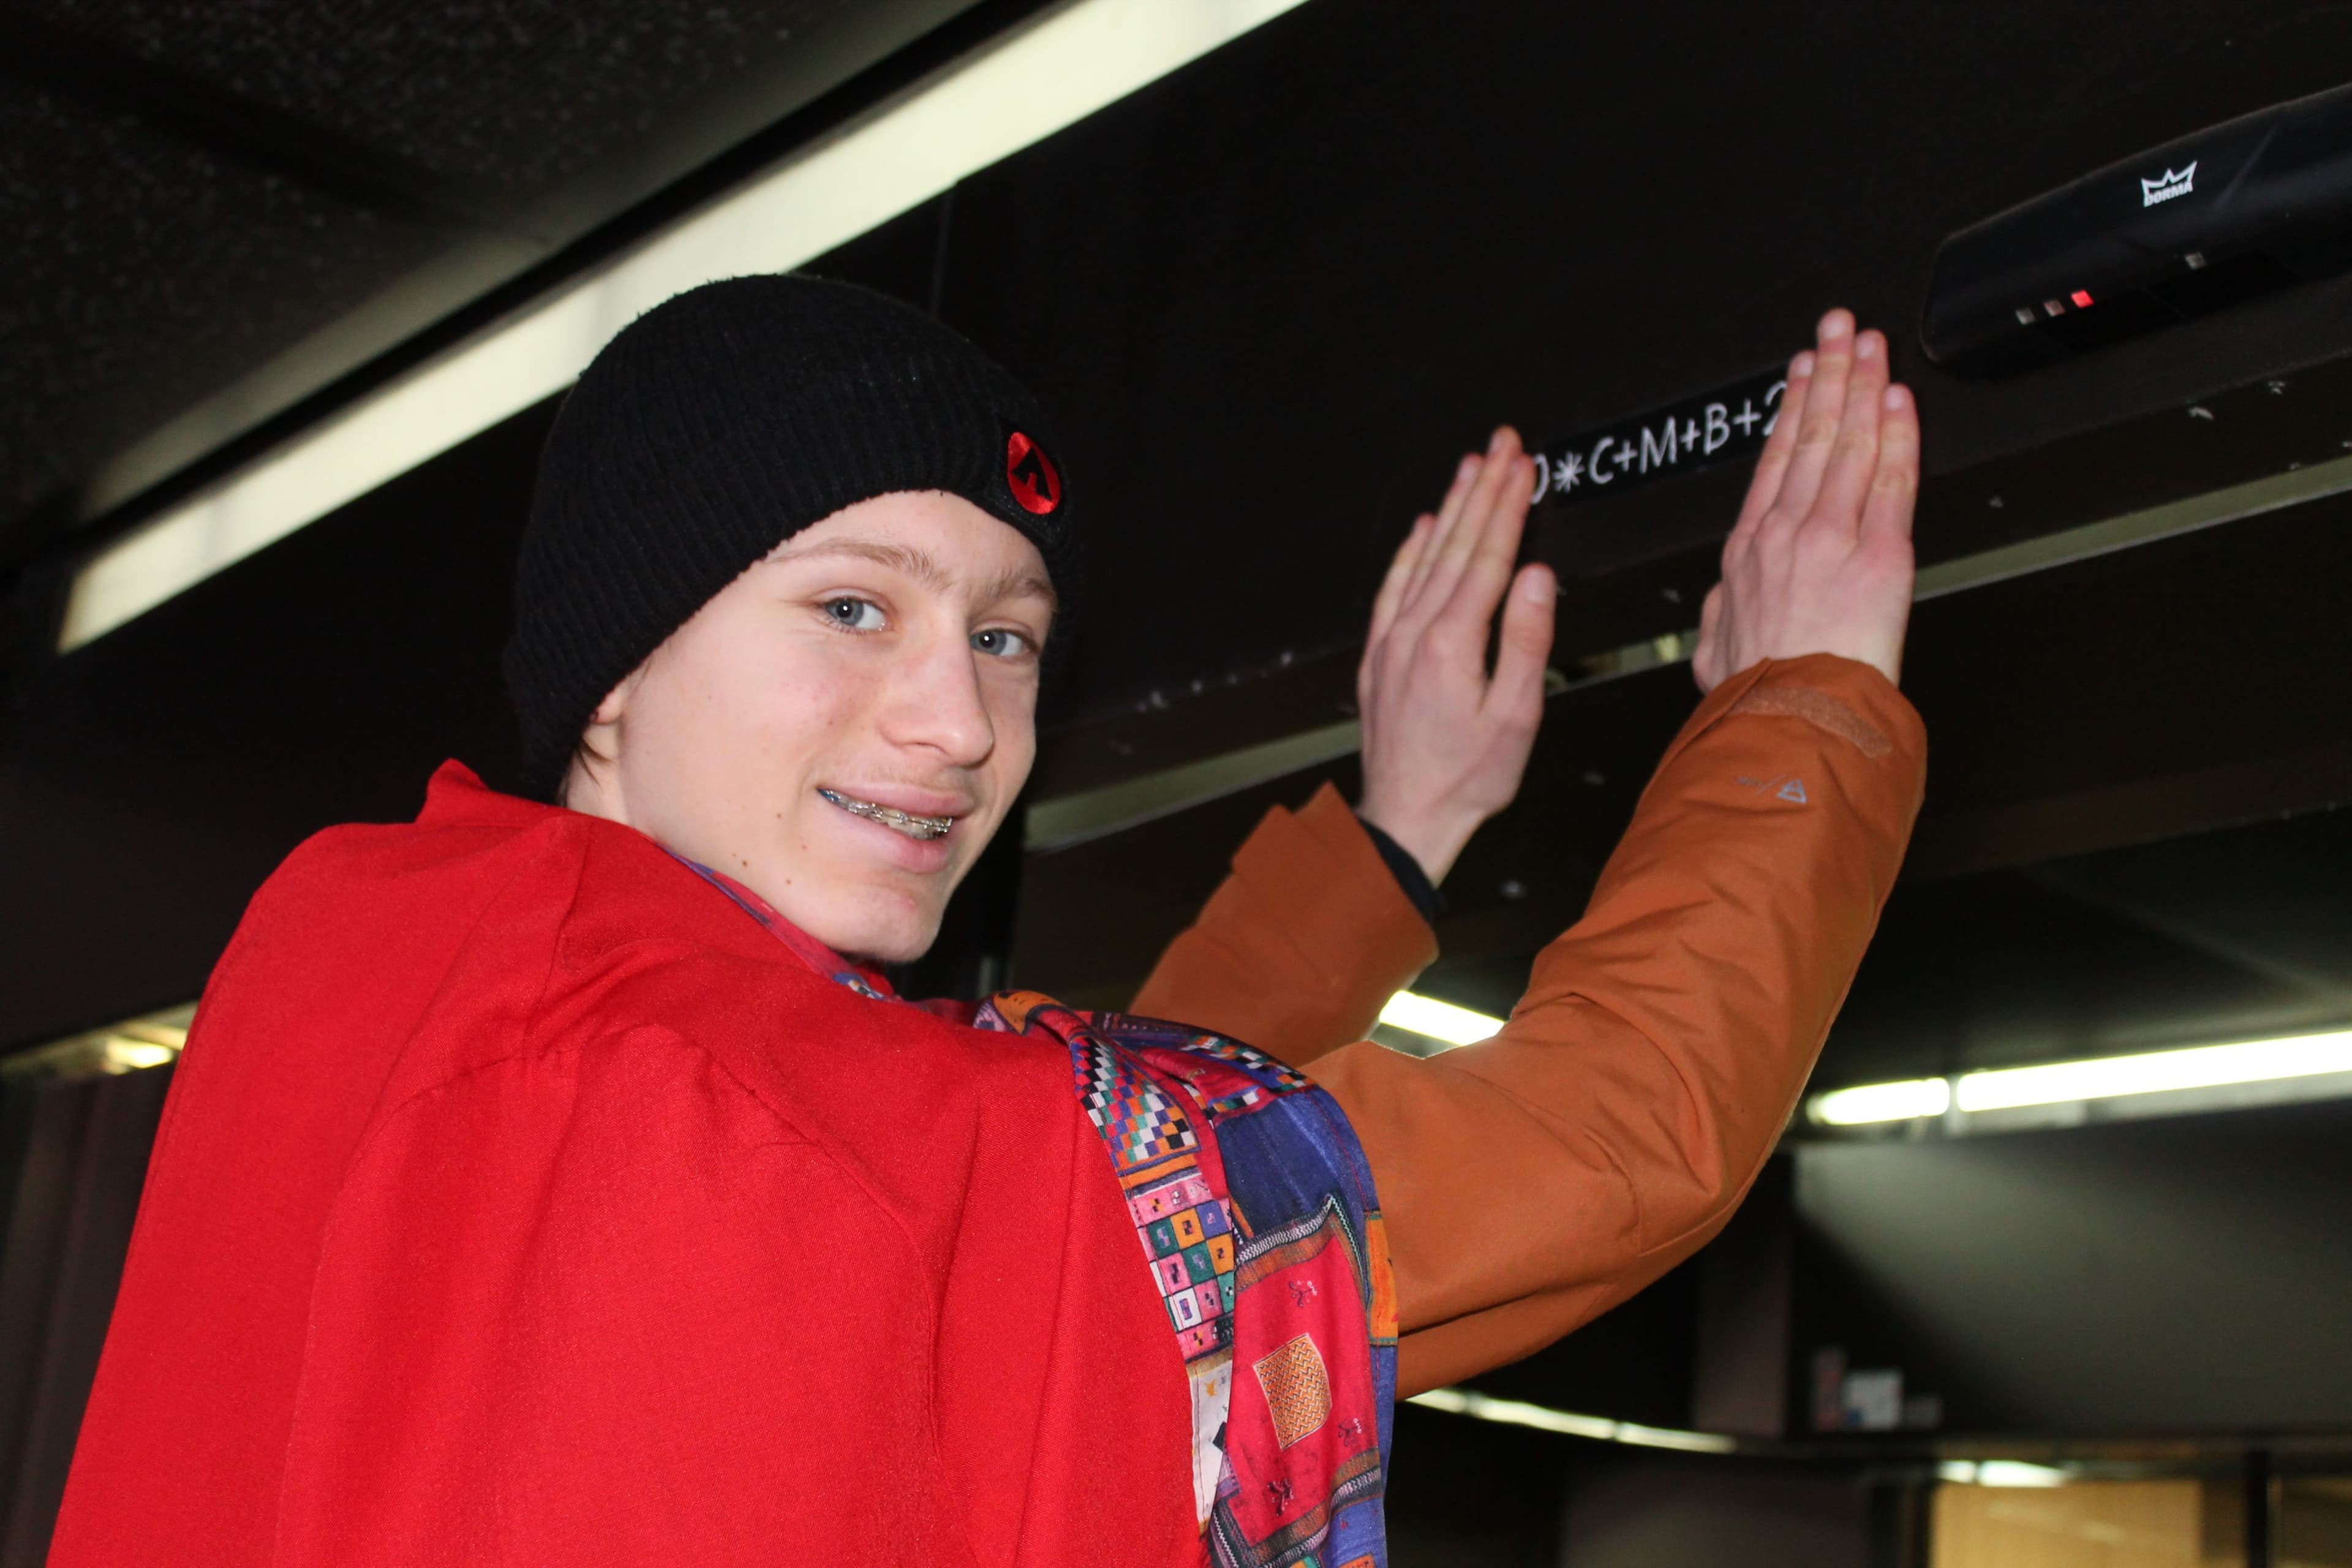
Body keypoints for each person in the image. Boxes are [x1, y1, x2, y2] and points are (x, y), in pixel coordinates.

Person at [50, 277, 1923, 1567]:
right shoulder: (725, 1109)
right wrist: (1809, 696)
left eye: (1005, 635)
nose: (960, 724)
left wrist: (1396, 838)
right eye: (854, 607)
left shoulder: (367, 952)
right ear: (611, 671)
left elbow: (1022, 1228)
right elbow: (1618, 1139)